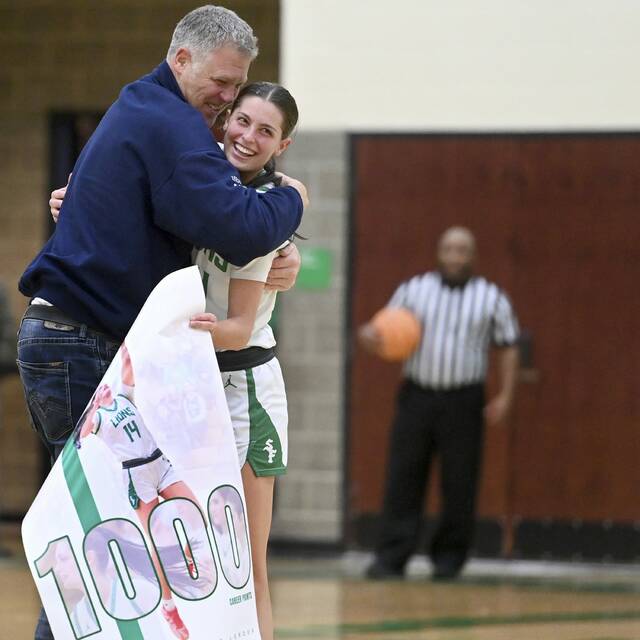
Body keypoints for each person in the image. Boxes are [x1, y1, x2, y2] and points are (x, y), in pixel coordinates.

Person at [17, 6, 307, 640]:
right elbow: (240, 225)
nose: (230, 102)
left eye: (241, 91)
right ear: (181, 59)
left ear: (281, 142)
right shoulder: (174, 127)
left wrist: (284, 250)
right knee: (113, 539)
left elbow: (233, 232)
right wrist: (295, 197)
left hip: (80, 341)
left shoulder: (145, 108)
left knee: (105, 535)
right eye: (227, 89)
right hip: (85, 342)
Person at [189, 81, 299, 640]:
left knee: (246, 564)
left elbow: (233, 331)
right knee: (192, 560)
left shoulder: (263, 214)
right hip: (192, 384)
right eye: (243, 121)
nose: (248, 136)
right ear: (226, 117)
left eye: (266, 131)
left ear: (283, 144)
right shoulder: (203, 179)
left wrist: (165, 334)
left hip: (244, 387)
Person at [360, 227, 520, 581]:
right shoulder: (413, 289)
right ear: (439, 252)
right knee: (403, 477)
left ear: (473, 256)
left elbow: (508, 345)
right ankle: (391, 559)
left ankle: (448, 561)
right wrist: (369, 337)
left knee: (459, 482)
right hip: (417, 396)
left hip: (464, 401)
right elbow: (379, 330)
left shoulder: (492, 297)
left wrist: (506, 394)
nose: (455, 256)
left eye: (462, 250)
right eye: (449, 249)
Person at [76, 343, 202, 639]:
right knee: (156, 542)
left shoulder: (124, 398)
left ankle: (185, 555)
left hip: (159, 461)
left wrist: (126, 345)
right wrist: (93, 407)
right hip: (136, 474)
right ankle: (169, 608)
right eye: (100, 392)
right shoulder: (98, 421)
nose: (105, 390)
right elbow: (81, 435)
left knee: (194, 512)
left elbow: (128, 369)